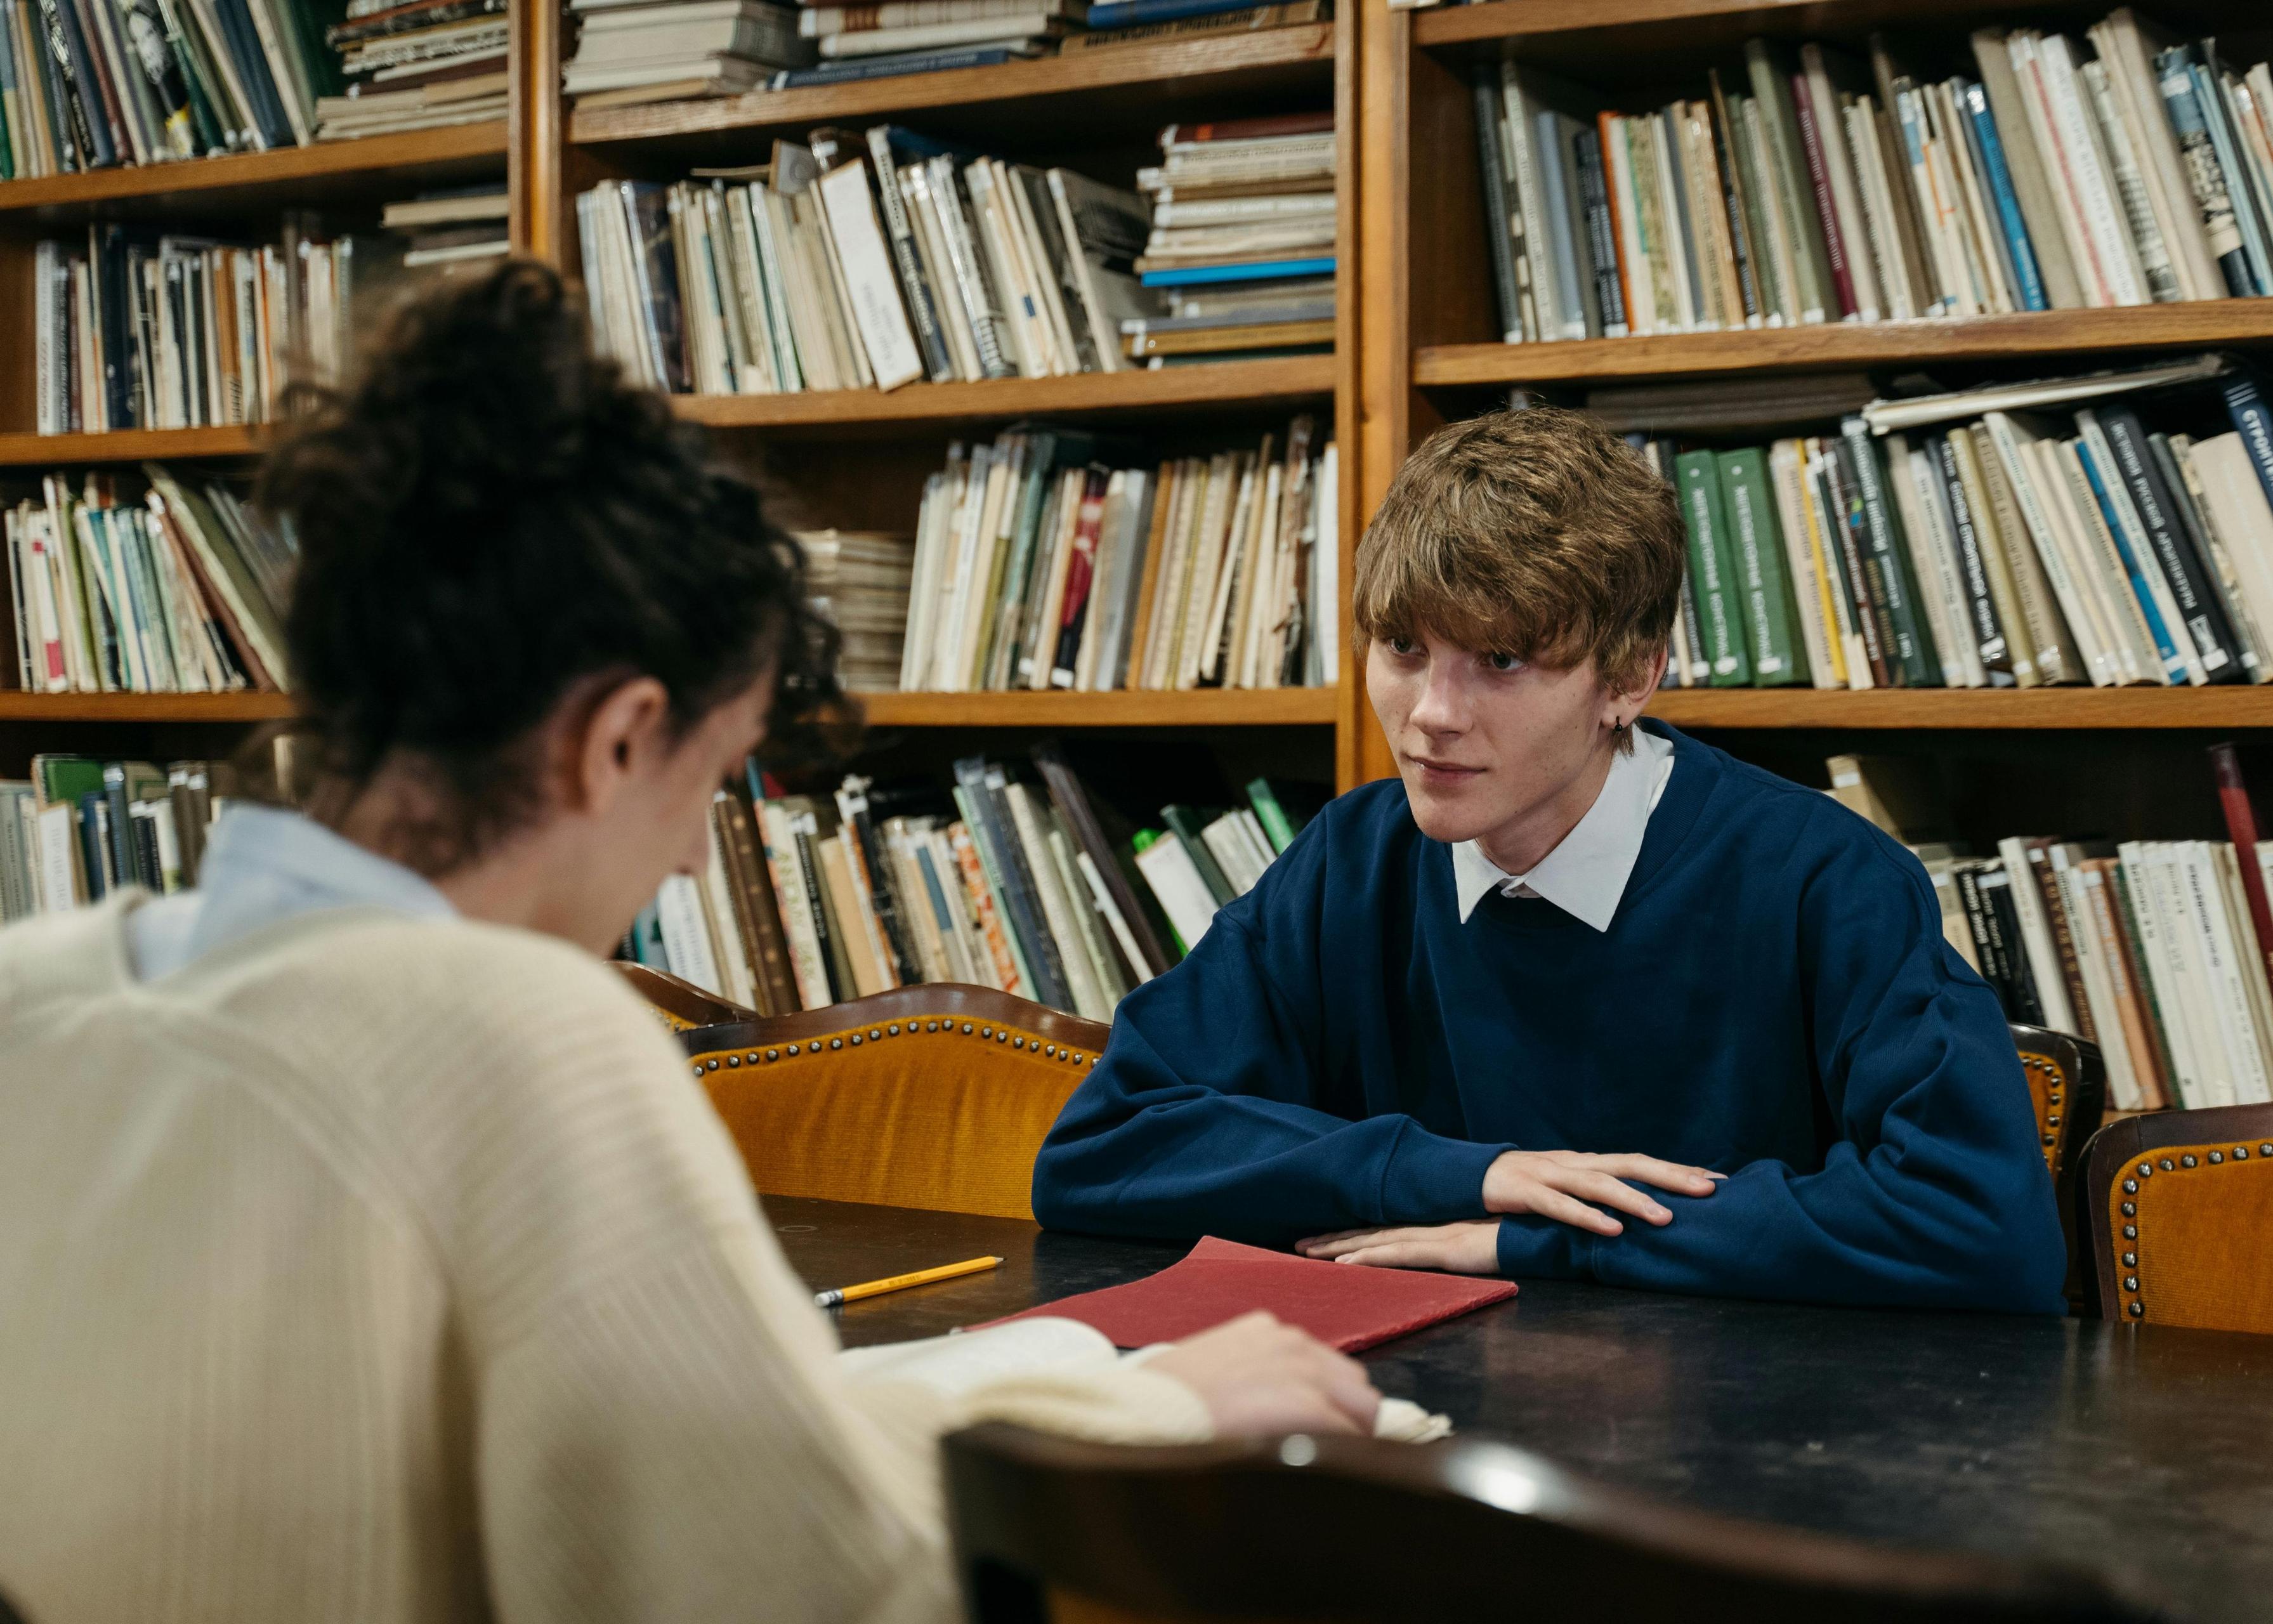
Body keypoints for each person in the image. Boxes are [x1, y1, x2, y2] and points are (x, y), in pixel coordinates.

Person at [0, 262, 1381, 1624]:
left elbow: (706, 1450)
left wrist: (1042, 1370)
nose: (680, 857)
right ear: (614, 739)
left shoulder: (42, 990)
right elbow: (799, 1575)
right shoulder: (524, 1036)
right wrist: (1146, 1411)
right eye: (706, 778)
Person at [1032, 407, 2066, 1314]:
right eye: (1401, 647)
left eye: (1503, 659)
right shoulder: (1353, 859)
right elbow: (1104, 1149)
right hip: (1423, 1440)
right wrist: (1465, 1176)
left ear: (1631, 676)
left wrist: (1539, 1240)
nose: (1430, 716)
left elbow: (1981, 1229)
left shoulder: (1825, 880)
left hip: (1746, 1454)